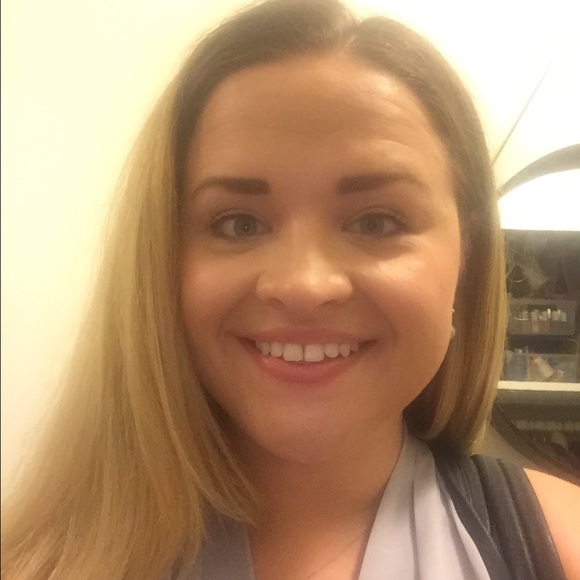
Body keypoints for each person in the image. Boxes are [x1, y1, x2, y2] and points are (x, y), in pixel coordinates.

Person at [2, 0, 579, 578]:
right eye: (238, 224)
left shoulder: (560, 546)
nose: (304, 285)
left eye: (377, 221)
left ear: (466, 262)